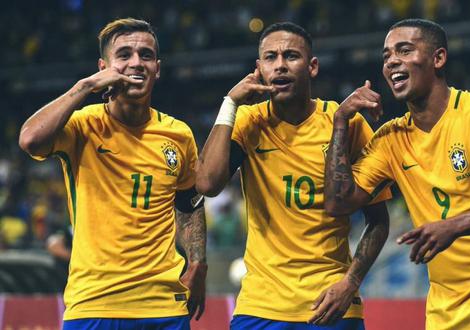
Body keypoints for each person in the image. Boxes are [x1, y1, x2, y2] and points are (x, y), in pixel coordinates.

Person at [324, 18, 470, 329]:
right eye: (386, 55)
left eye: (404, 50)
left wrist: (453, 226)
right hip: (445, 318)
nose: (391, 62)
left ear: (438, 58)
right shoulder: (391, 139)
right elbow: (338, 203)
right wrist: (340, 121)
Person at [195, 22, 390, 329]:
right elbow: (207, 184)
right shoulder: (248, 121)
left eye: (291, 56)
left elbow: (378, 220)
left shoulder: (346, 125)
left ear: (312, 66)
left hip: (331, 304)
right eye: (271, 58)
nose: (281, 66)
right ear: (259, 69)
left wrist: (351, 282)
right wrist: (230, 103)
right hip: (261, 307)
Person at [19, 18, 207, 329]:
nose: (137, 62)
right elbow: (30, 140)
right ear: (104, 66)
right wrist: (86, 86)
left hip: (164, 307)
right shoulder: (82, 125)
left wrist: (198, 261)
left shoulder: (179, 134)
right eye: (124, 55)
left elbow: (189, 204)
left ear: (157, 68)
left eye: (146, 55)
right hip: (94, 304)